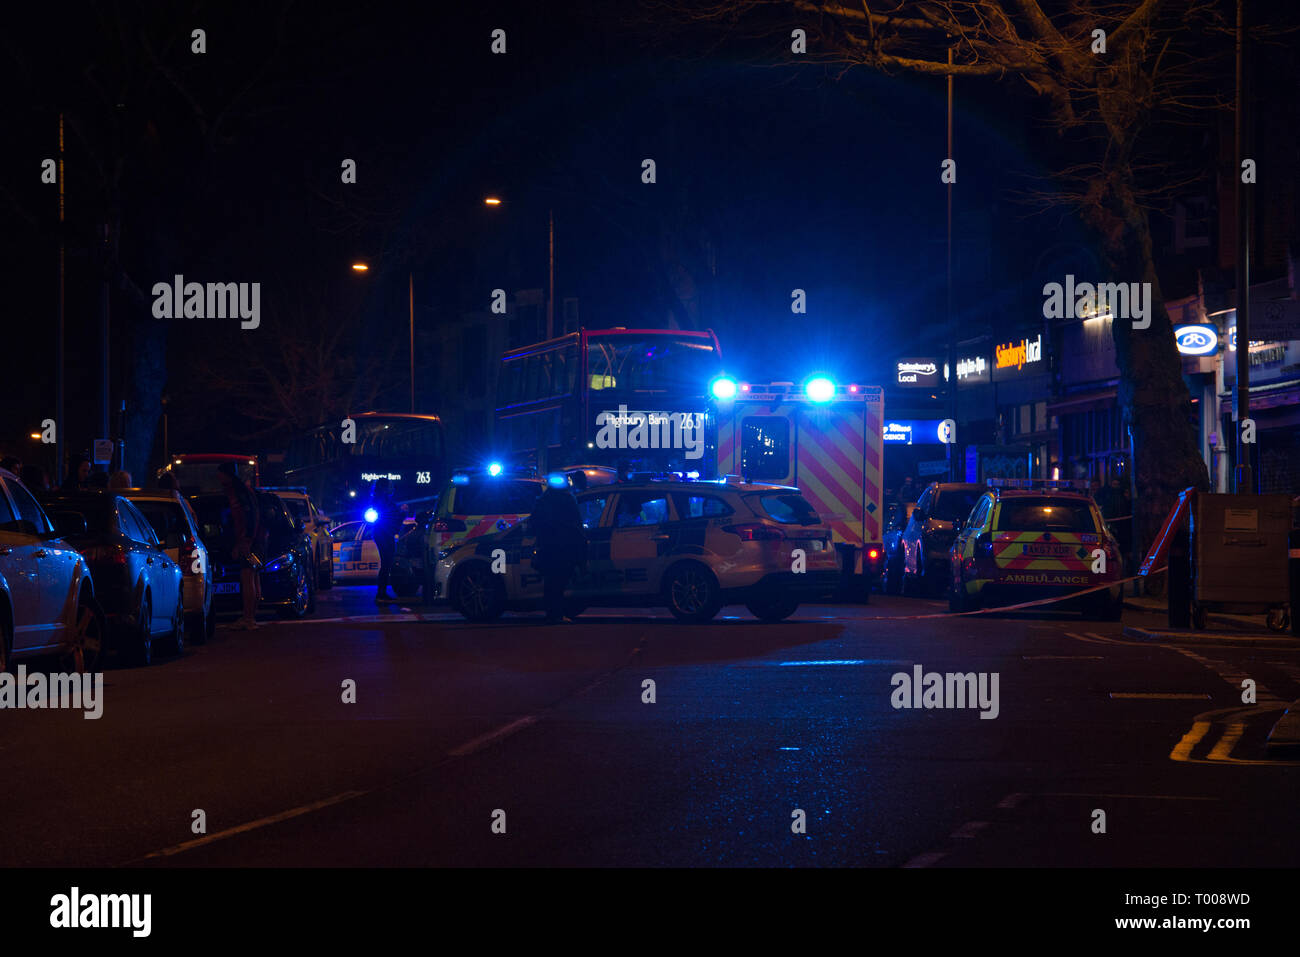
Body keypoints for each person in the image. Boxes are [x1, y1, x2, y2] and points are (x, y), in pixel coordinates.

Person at [530, 477, 588, 624]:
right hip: (564, 546)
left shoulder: (543, 500)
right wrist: (581, 547)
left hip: (547, 547)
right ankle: (556, 614)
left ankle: (552, 613)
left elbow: (533, 523)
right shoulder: (568, 499)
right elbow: (576, 524)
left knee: (551, 582)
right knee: (559, 581)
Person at [218, 461, 263, 630]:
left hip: (249, 541)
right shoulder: (245, 491)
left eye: (220, 474)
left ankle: (249, 618)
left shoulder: (238, 493)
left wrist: (245, 541)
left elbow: (247, 518)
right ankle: (252, 616)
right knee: (253, 577)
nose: (218, 478)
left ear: (226, 474)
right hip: (255, 540)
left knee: (248, 577)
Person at [368, 478, 404, 604]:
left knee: (386, 563)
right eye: (390, 486)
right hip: (384, 534)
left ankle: (382, 592)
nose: (393, 488)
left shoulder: (380, 500)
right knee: (386, 563)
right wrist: (402, 513)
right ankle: (381, 593)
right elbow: (391, 517)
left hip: (383, 534)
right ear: (384, 488)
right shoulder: (383, 501)